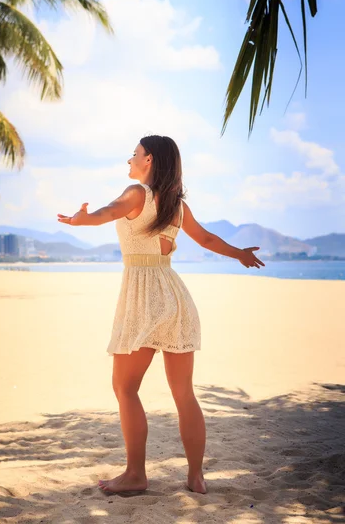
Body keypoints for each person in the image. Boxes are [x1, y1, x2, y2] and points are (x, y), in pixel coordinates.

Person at [57, 134, 265, 496]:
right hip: (176, 297)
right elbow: (208, 240)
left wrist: (80, 221)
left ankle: (136, 473)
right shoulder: (176, 205)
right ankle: (195, 477)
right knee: (184, 393)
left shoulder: (136, 194)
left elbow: (107, 213)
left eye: (134, 154)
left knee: (125, 387)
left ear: (149, 159)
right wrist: (240, 254)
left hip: (144, 299)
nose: (129, 160)